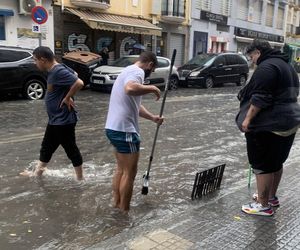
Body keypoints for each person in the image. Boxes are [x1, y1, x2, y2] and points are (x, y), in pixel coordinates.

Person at [236, 39, 300, 216]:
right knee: (276, 162)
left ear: (258, 52)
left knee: (261, 164)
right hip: (290, 121)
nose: (252, 60)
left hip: (268, 125)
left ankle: (263, 205)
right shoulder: (288, 67)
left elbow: (260, 98)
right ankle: (271, 197)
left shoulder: (266, 68)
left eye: (252, 57)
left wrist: (247, 120)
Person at [105, 51, 163, 212]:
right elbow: (130, 89)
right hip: (125, 131)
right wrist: (152, 88)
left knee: (121, 170)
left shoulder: (127, 70)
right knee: (129, 173)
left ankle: (116, 205)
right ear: (150, 65)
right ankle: (125, 212)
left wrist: (152, 117)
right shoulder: (137, 72)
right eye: (152, 70)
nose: (150, 74)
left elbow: (134, 104)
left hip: (113, 128)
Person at [20, 46, 84, 180]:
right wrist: (68, 93)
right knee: (47, 147)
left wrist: (67, 97)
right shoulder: (57, 68)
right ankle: (37, 174)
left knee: (70, 148)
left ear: (43, 60)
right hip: (56, 119)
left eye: (35, 60)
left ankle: (80, 178)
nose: (34, 63)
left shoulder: (58, 70)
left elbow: (79, 82)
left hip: (63, 120)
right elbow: (75, 75)